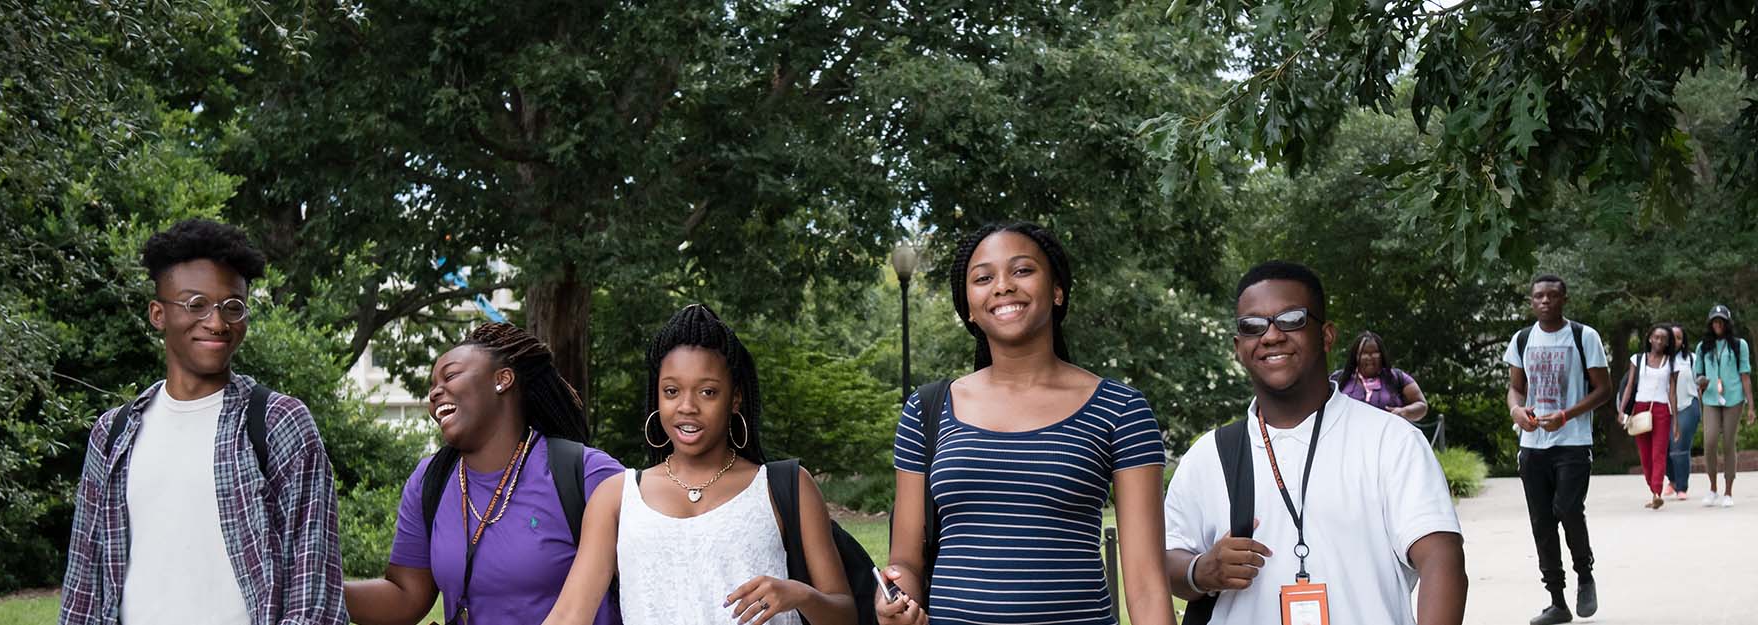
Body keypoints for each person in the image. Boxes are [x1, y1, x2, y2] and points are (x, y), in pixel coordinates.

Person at [877, 222, 1172, 625]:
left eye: (1022, 271)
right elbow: (906, 560)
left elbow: (1146, 585)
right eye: (983, 278)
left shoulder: (1121, 409)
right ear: (968, 307)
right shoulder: (927, 409)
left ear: (1057, 290)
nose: (1002, 286)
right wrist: (897, 602)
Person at [59, 219, 347, 625]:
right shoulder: (114, 433)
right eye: (195, 304)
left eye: (233, 306)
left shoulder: (279, 423)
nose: (217, 322)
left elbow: (312, 587)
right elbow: (84, 584)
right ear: (158, 314)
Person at [1163, 261, 1466, 625]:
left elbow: (1441, 560)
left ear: (1326, 336)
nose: (1271, 336)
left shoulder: (1391, 440)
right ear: (1238, 347)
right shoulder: (1209, 455)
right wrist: (1201, 570)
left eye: (1291, 319)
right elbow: (1165, 560)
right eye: (1252, 326)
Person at [543, 304, 854, 625]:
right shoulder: (615, 498)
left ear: (735, 398)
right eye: (672, 391)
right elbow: (569, 615)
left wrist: (800, 595)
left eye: (707, 392)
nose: (687, 406)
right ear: (657, 398)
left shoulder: (786, 486)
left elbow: (845, 614)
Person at [343, 323, 626, 625]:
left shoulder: (587, 475)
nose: (435, 393)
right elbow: (405, 596)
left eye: (450, 376)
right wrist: (318, 588)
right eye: (432, 386)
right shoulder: (430, 480)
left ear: (502, 380)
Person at [1503, 274, 1610, 625]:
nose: (1544, 301)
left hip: (1573, 443)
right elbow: (1516, 389)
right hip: (1533, 445)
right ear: (1531, 302)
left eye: (1551, 296)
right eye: (1538, 296)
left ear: (1564, 299)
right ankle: (1557, 601)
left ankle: (1585, 574)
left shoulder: (1584, 336)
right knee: (1541, 522)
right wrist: (1517, 411)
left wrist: (1567, 415)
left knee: (1567, 509)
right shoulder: (1522, 339)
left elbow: (1603, 389)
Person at [1694, 304, 1753, 508]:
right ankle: (1712, 488)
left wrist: (1751, 406)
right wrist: (1701, 381)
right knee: (1709, 443)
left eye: (1721, 321)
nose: (1717, 324)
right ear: (1710, 324)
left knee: (1729, 443)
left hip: (1734, 398)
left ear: (1727, 323)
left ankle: (1728, 491)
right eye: (1714, 321)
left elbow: (1745, 375)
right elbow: (1697, 374)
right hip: (1711, 398)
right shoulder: (1703, 346)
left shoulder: (1739, 344)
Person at [1618, 324, 1678, 509]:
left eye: (1663, 338)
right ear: (1650, 338)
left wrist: (1675, 420)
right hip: (1640, 408)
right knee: (1644, 455)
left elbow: (1672, 393)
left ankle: (1657, 493)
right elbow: (1629, 387)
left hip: (1661, 410)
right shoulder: (1638, 359)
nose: (1659, 341)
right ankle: (1653, 489)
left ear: (1667, 342)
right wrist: (1622, 411)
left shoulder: (1671, 362)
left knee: (1658, 452)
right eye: (1656, 337)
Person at [1331, 330, 1430, 421]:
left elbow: (1422, 405)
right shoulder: (1340, 379)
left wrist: (1403, 412)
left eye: (1375, 353)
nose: (1370, 357)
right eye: (1364, 353)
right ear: (1355, 356)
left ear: (1382, 355)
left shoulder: (1396, 378)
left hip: (1390, 437)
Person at [1664, 324, 1700, 500]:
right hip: (1665, 408)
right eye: (1671, 337)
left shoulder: (1692, 359)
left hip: (1687, 406)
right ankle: (1672, 480)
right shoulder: (1658, 359)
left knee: (1679, 447)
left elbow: (1700, 383)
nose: (1675, 341)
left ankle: (1681, 487)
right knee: (1662, 449)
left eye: (1678, 337)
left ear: (1683, 341)